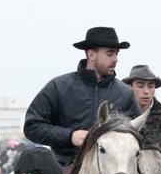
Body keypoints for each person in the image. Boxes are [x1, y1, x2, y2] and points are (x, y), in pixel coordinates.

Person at [24, 27, 143, 166]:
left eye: (117, 54)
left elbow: (141, 134)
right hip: (66, 169)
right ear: (91, 55)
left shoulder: (125, 93)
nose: (115, 59)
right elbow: (32, 127)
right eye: (110, 54)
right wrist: (69, 136)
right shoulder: (58, 87)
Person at [123, 64, 161, 152]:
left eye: (151, 86)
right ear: (130, 87)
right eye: (140, 86)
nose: (146, 91)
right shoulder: (121, 117)